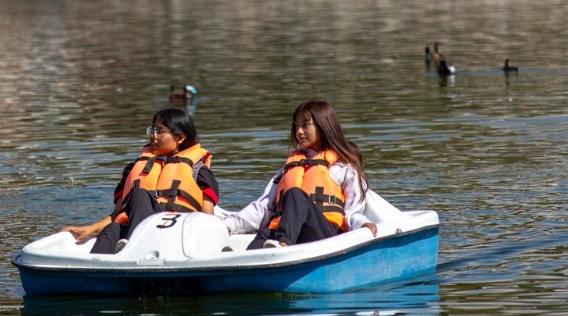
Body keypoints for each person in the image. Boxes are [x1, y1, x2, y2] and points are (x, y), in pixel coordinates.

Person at [62, 108, 219, 255]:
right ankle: (92, 272)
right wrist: (90, 229)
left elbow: (208, 217)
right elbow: (117, 214)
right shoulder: (134, 169)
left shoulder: (198, 171)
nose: (153, 136)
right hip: (137, 233)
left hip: (177, 233)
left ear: (180, 138)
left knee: (140, 195)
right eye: (152, 130)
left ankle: (132, 248)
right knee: (113, 228)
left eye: (160, 131)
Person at [223, 99, 377, 250]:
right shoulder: (287, 170)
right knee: (265, 233)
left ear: (323, 126)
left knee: (295, 194)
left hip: (326, 235)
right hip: (287, 231)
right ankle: (239, 258)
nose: (299, 132)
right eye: (296, 126)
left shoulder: (343, 168)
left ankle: (283, 244)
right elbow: (263, 208)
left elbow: (353, 211)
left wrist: (362, 224)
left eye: (305, 125)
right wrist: (229, 224)